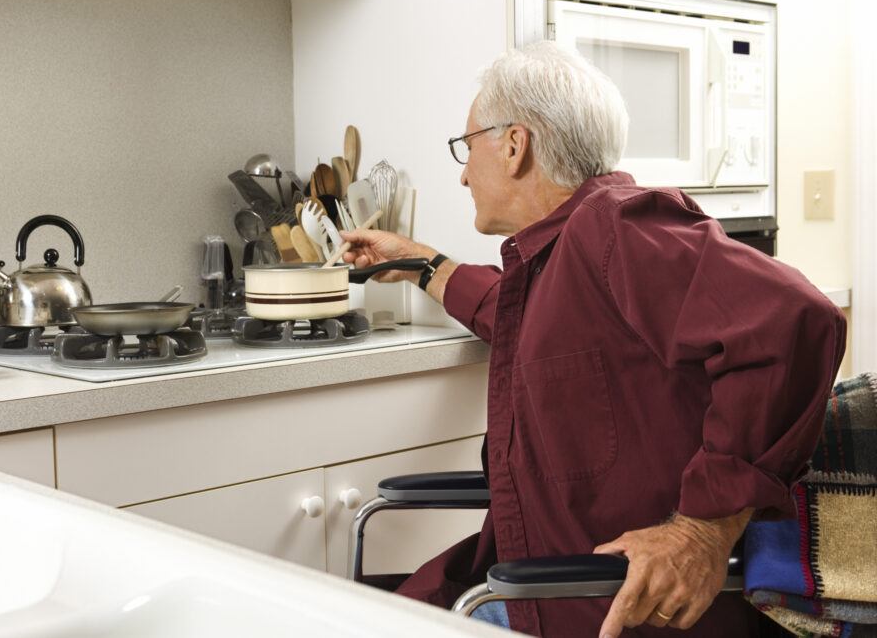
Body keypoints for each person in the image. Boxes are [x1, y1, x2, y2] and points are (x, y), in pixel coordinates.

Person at [340, 42, 847, 638]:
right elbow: (517, 314)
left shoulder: (614, 225)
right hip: (534, 583)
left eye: (466, 146)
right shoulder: (564, 255)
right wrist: (425, 264)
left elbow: (796, 319)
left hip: (586, 605)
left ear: (513, 144)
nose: (462, 171)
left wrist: (703, 529)